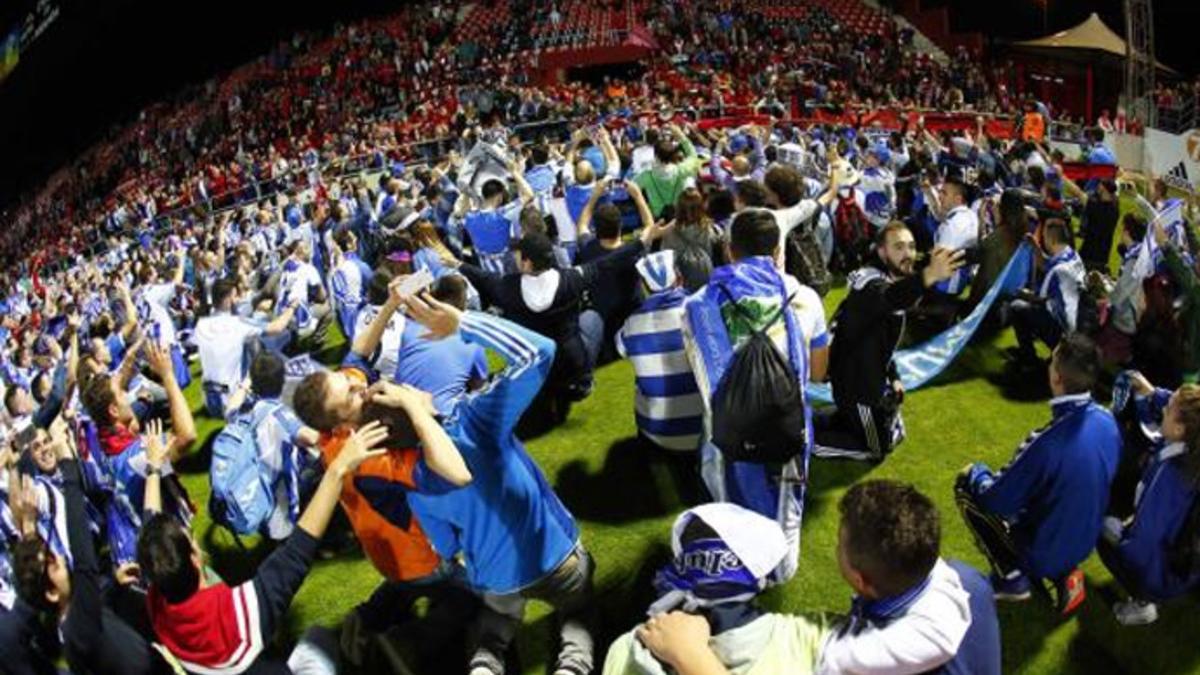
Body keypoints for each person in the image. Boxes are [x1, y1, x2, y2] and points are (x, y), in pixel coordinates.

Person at [290, 275, 476, 664]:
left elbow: (358, 354)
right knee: (473, 598)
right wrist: (418, 409)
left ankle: (364, 617)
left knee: (400, 584)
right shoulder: (368, 451)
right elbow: (449, 472)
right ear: (340, 424)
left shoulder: (338, 424)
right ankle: (407, 643)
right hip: (416, 551)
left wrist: (391, 303)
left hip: (378, 544)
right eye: (350, 392)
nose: (360, 385)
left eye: (347, 381)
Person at [629, 481, 1001, 675]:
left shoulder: (864, 662)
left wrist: (688, 653)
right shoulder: (967, 579)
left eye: (840, 544)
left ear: (860, 579)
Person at [138, 414, 391, 674]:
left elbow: (150, 528)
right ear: (194, 557)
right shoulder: (240, 614)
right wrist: (339, 467)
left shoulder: (159, 604)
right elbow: (297, 550)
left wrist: (154, 468)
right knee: (318, 638)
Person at [682, 209, 830, 583]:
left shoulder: (695, 306)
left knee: (731, 507)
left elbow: (701, 372)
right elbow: (817, 373)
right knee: (785, 507)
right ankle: (778, 568)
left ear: (730, 251)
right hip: (789, 421)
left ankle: (739, 561)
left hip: (725, 425)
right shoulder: (806, 298)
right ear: (779, 251)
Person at [957, 333, 1121, 613]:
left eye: (1051, 360)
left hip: (1044, 549)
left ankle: (1012, 580)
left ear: (1057, 378)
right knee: (1058, 496)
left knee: (966, 487)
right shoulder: (1108, 421)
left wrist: (977, 473)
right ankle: (1065, 575)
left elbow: (995, 500)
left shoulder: (1047, 443)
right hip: (1085, 541)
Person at [456, 211, 669, 404]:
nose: (515, 255)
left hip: (536, 368)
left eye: (519, 253)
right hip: (571, 365)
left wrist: (456, 264)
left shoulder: (507, 287)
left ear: (528, 263)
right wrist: (641, 241)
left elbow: (483, 277)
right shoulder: (570, 279)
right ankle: (584, 381)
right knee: (591, 317)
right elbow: (609, 262)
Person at [11, 419, 169, 675]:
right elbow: (81, 546)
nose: (58, 559)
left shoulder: (73, 629)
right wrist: (66, 466)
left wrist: (115, 586)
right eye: (52, 563)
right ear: (51, 594)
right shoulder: (81, 616)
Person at [814, 222, 965, 461]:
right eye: (899, 247)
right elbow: (889, 298)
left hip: (863, 377)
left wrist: (893, 377)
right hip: (858, 389)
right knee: (877, 450)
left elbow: (882, 341)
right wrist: (929, 275)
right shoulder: (870, 282)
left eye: (911, 247)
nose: (908, 254)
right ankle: (805, 440)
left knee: (888, 422)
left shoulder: (893, 280)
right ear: (882, 252)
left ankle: (839, 418)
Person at [1099, 374, 1200, 625]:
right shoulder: (1191, 450)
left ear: (1179, 429)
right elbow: (1179, 406)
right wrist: (1151, 391)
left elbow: (1143, 547)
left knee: (1096, 524)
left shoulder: (1172, 477)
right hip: (1185, 566)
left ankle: (1143, 601)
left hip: (1161, 575)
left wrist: (1117, 535)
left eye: (1167, 410)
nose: (1163, 408)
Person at [220, 352, 321, 540]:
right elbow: (313, 439)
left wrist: (246, 382)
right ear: (283, 380)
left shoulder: (244, 414)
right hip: (282, 516)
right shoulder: (280, 415)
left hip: (254, 502)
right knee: (323, 460)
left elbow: (229, 410)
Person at [616, 250, 703, 453]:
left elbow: (621, 349)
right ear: (679, 278)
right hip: (707, 426)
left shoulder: (630, 324)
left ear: (645, 287)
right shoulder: (700, 308)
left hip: (655, 431)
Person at [195, 278, 297, 417]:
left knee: (246, 342)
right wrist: (292, 307)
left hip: (209, 402)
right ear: (229, 299)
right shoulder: (238, 324)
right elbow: (277, 327)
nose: (238, 300)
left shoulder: (201, 325)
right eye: (236, 296)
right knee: (260, 342)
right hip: (234, 402)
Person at [1004, 218, 1086, 366]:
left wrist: (1020, 292)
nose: (1043, 241)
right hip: (1077, 324)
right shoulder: (1073, 256)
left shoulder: (1057, 271)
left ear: (1051, 240)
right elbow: (1047, 264)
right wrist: (1034, 245)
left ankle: (1029, 358)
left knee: (1017, 307)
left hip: (1064, 331)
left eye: (1044, 238)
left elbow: (1039, 299)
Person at [329, 228, 374, 341]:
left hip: (343, 321)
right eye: (354, 238)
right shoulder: (360, 267)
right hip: (361, 321)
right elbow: (376, 289)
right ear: (349, 244)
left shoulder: (334, 268)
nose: (356, 239)